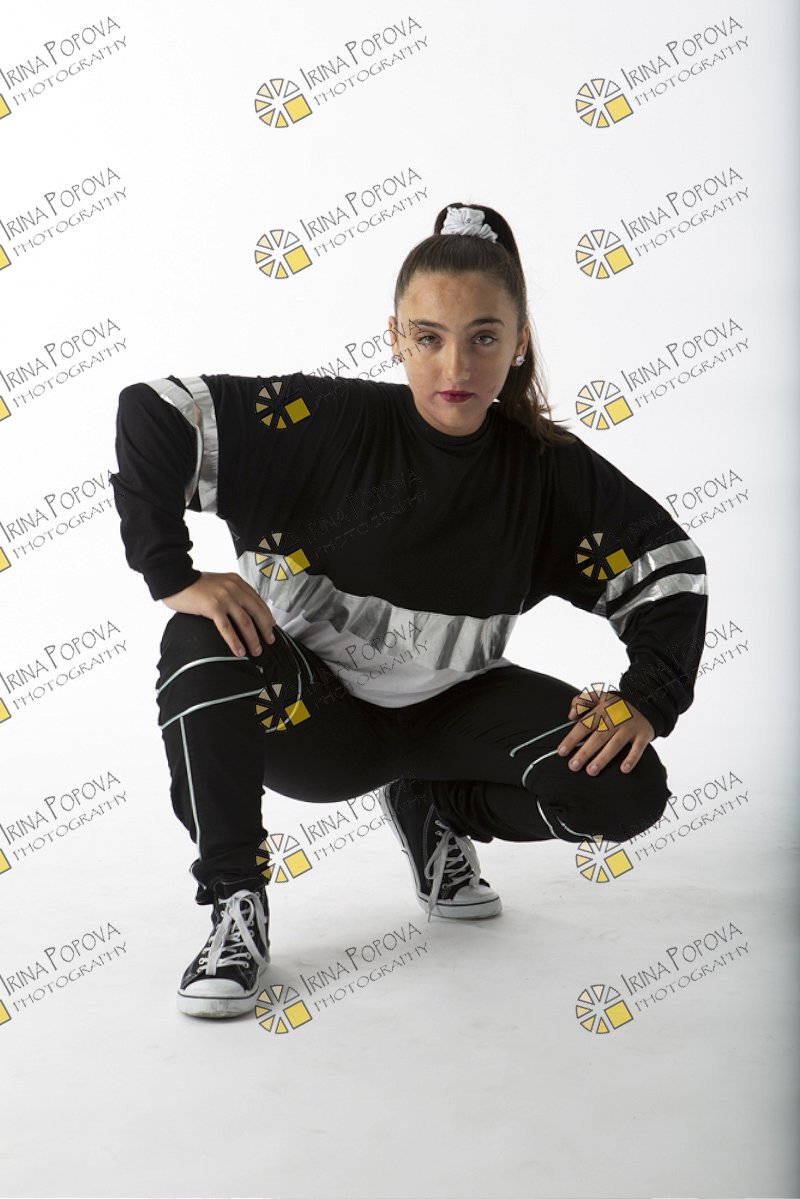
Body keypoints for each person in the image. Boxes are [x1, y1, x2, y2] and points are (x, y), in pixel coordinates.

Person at [110, 202, 708, 1019]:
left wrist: (647, 696)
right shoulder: (322, 424)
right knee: (197, 635)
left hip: (454, 716)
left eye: (484, 337)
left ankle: (435, 803)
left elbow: (666, 566)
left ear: (520, 340)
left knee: (627, 790)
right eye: (428, 337)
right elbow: (154, 409)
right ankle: (234, 904)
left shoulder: (546, 470)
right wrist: (173, 573)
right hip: (317, 722)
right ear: (394, 337)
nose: (454, 364)